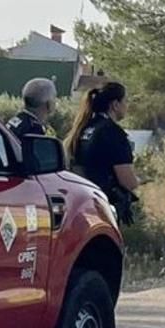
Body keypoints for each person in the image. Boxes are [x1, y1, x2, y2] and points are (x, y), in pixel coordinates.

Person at [66, 82, 140, 225]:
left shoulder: (85, 128)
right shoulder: (112, 133)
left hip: (82, 202)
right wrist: (138, 180)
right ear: (115, 105)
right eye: (125, 101)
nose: (127, 106)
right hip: (104, 206)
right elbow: (127, 182)